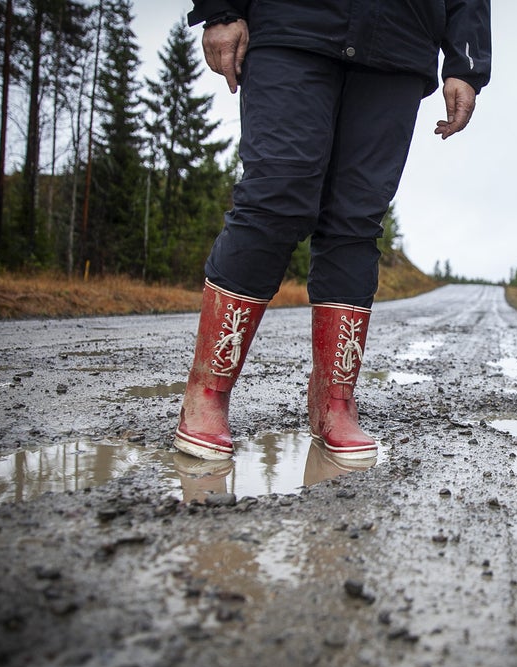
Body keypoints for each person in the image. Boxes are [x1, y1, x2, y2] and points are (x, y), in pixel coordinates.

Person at [174, 1, 491, 464]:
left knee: (356, 220)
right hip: (295, 24)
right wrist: (221, 9)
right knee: (273, 198)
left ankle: (334, 403)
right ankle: (208, 390)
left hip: (399, 44)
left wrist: (466, 62)